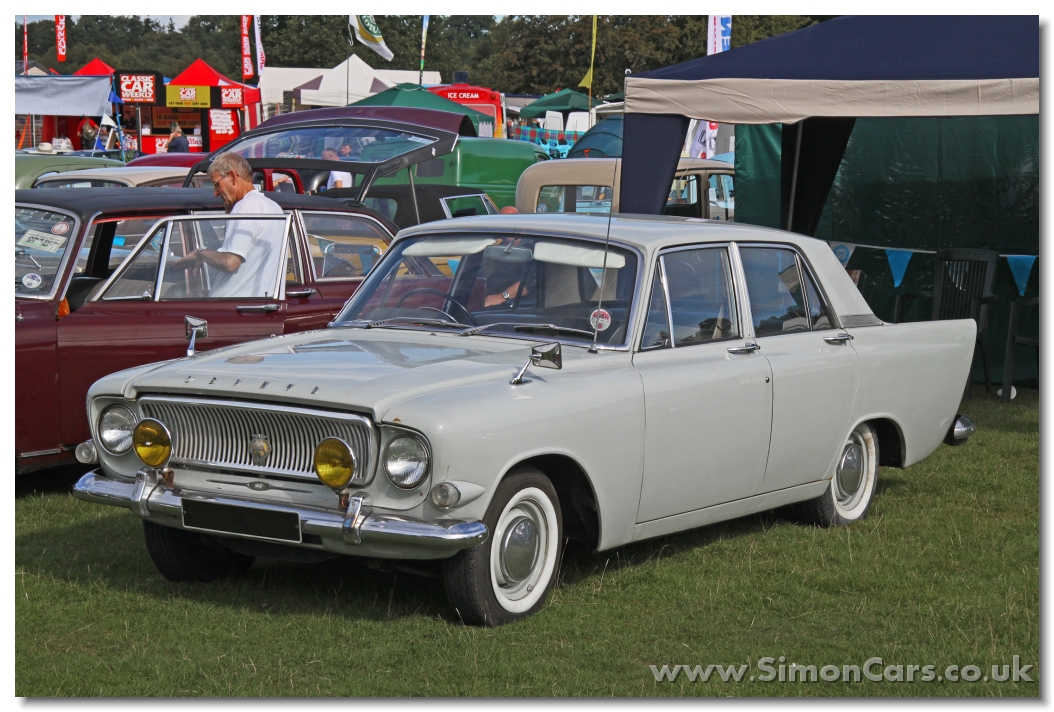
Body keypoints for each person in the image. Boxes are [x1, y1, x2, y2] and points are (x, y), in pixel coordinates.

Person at [173, 152, 285, 298]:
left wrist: (200, 253)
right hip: (261, 301)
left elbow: (230, 262)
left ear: (232, 176)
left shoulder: (246, 206)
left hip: (234, 304)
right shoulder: (274, 206)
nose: (215, 193)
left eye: (216, 185)